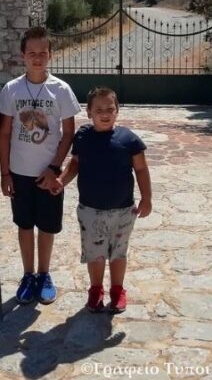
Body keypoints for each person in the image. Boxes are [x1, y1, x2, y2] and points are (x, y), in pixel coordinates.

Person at [0, 26, 81, 305]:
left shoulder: (61, 90)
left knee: (46, 226)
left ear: (50, 55)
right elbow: (5, 133)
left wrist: (54, 168)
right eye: (31, 53)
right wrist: (5, 173)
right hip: (19, 173)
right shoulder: (11, 89)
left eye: (42, 53)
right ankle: (28, 275)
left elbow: (68, 133)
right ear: (23, 55)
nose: (37, 58)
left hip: (49, 174)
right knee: (24, 225)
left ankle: (44, 274)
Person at [55, 87, 152, 313]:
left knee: (118, 253)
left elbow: (141, 169)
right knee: (95, 255)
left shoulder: (129, 139)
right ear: (89, 112)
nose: (105, 114)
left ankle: (117, 290)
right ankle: (95, 289)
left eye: (110, 109)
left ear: (117, 110)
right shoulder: (82, 136)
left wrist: (146, 198)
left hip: (123, 210)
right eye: (98, 110)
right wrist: (61, 180)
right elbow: (75, 164)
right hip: (90, 210)